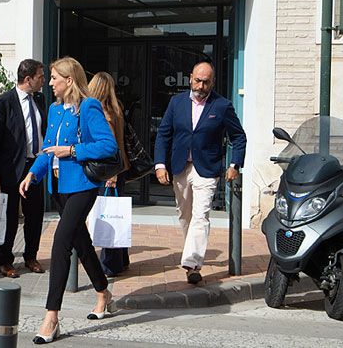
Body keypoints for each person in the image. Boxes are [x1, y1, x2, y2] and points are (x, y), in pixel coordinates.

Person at [19, 57, 118, 344]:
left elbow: (107, 145)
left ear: (69, 80)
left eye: (54, 78)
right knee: (81, 243)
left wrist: (73, 150)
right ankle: (104, 293)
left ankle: (51, 317)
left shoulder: (88, 107)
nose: (49, 83)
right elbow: (48, 149)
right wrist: (32, 175)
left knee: (61, 241)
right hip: (59, 186)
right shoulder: (54, 109)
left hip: (83, 185)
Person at [153, 60, 246, 284]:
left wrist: (235, 165)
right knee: (185, 215)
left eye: (206, 82)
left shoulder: (222, 106)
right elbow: (164, 134)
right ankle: (190, 253)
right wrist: (159, 165)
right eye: (197, 80)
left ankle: (192, 263)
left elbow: (239, 137)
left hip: (207, 169)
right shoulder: (176, 103)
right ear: (190, 78)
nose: (201, 86)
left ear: (212, 82)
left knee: (201, 215)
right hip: (180, 167)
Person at [0, 59, 47, 278]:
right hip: (12, 168)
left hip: (36, 166)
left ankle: (31, 256)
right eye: (41, 76)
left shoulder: (40, 99)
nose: (44, 80)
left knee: (35, 215)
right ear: (28, 79)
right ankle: (5, 260)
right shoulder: (4, 102)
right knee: (10, 216)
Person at [87, 72, 130, 277]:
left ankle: (109, 265)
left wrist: (110, 176)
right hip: (119, 170)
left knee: (108, 216)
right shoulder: (116, 109)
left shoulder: (104, 114)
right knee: (115, 214)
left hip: (108, 172)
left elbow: (110, 148)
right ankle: (121, 260)